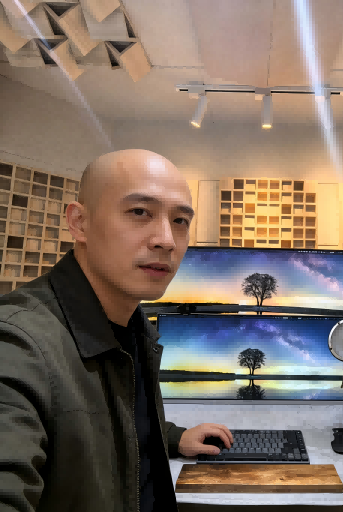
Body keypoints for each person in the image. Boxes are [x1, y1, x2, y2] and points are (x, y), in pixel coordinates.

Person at [0, 149, 233, 512]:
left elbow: (102, 421)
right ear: (79, 223)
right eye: (140, 212)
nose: (167, 240)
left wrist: (171, 437)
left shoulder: (134, 329)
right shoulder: (16, 343)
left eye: (180, 220)